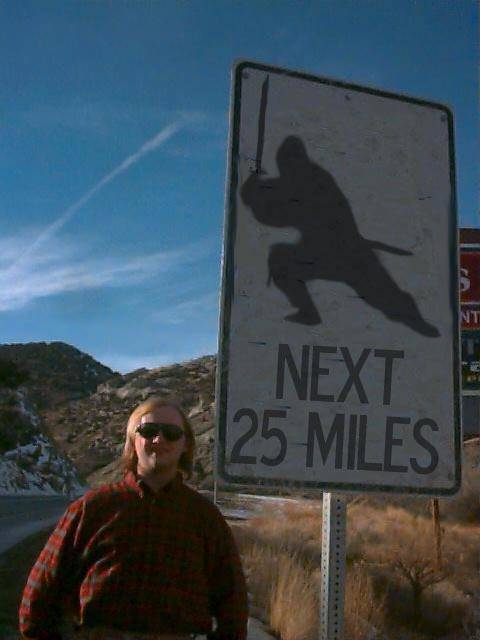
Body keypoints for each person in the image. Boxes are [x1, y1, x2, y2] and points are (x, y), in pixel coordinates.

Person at [19, 397, 249, 640]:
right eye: (149, 431)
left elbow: (233, 605)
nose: (159, 440)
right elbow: (37, 601)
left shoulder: (205, 517)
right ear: (132, 441)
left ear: (186, 445)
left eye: (171, 433)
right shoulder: (92, 508)